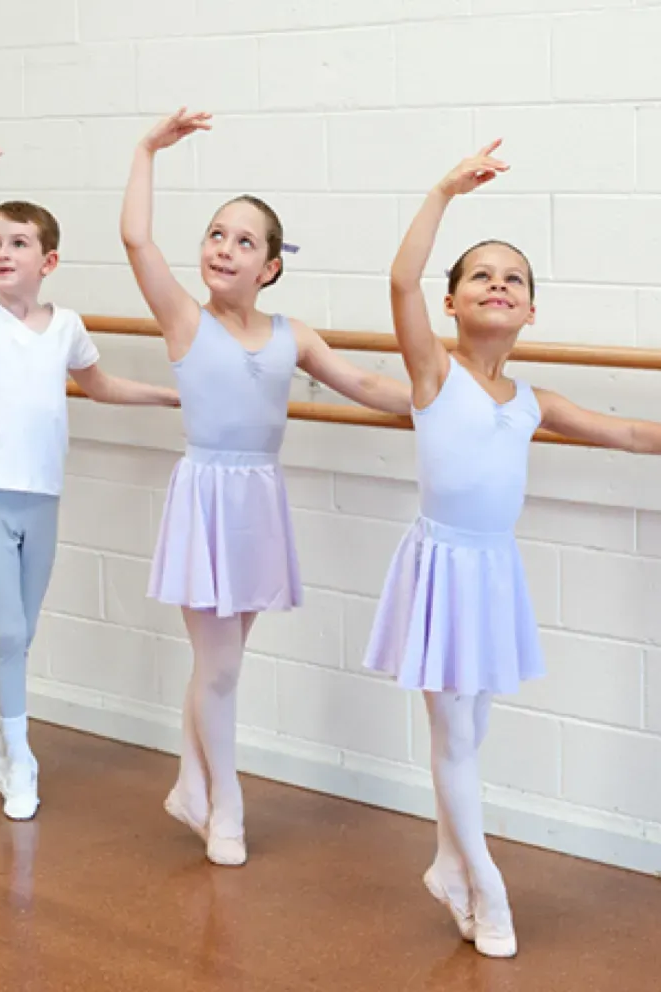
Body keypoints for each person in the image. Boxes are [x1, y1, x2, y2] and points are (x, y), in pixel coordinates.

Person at [367, 140, 661, 957]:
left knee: (468, 738)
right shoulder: (431, 376)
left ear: (530, 311)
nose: (496, 284)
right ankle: (486, 884)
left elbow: (627, 431)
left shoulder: (531, 401)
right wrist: (446, 190)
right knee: (453, 740)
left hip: (491, 572)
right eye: (479, 275)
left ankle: (449, 864)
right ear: (451, 303)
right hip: (443, 566)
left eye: (512, 279)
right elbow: (399, 280)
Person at [121, 109, 413, 866]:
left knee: (222, 664)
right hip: (207, 499)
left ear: (271, 266)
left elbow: (367, 383)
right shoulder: (185, 320)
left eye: (244, 241)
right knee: (218, 669)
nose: (225, 247)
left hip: (258, 504)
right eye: (217, 234)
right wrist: (148, 150)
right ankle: (227, 807)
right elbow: (135, 240)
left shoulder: (294, 335)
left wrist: (440, 400)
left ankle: (193, 784)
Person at [0, 145, 179, 820]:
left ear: (48, 260)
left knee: (21, 634)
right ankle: (21, 757)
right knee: (6, 633)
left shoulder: (66, 327)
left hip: (44, 501)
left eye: (18, 242)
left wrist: (167, 398)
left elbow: (101, 385)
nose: (2, 253)